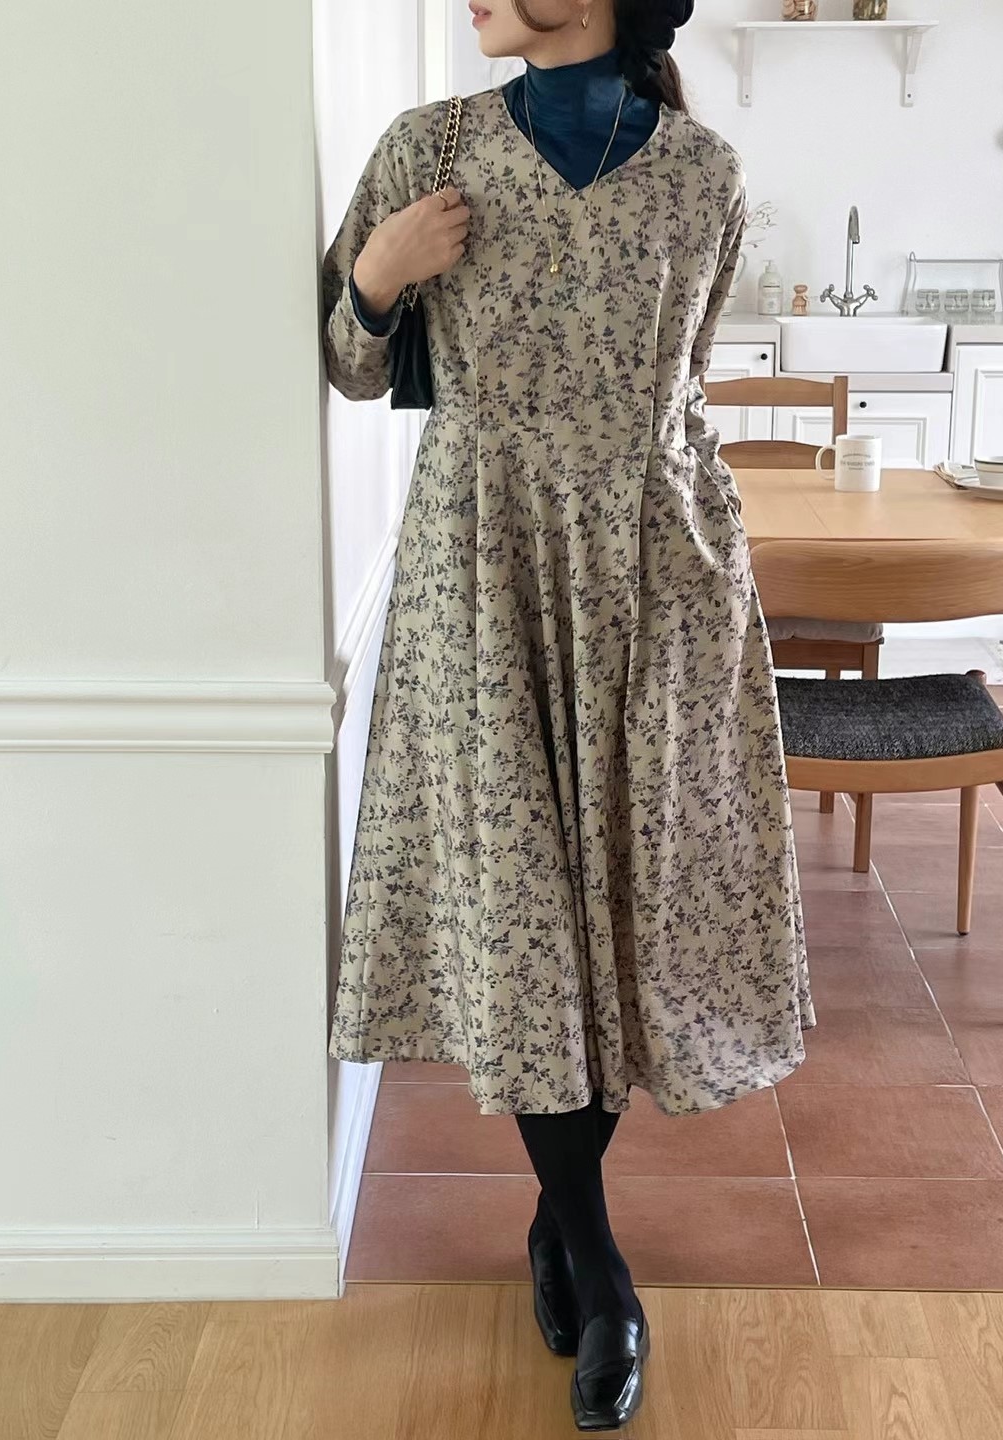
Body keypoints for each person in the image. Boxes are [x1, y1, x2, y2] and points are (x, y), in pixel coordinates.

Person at [322, 0, 815, 1429]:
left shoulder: (705, 171)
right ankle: (597, 1267)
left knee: (619, 895)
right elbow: (351, 364)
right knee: (521, 895)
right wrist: (379, 275)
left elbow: (689, 372)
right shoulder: (429, 146)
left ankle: (558, 1217)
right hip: (486, 560)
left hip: (660, 566)